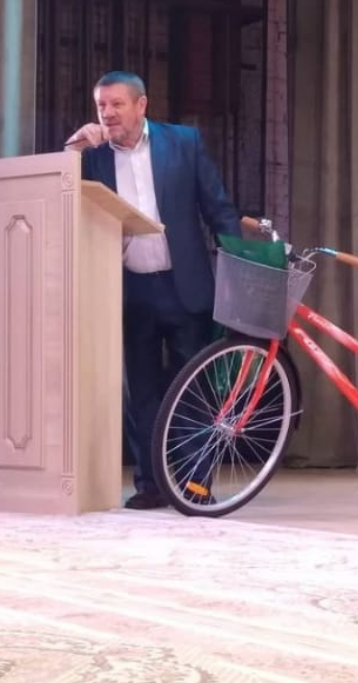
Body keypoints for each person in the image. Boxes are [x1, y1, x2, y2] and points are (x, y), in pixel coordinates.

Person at [66, 71, 241, 509]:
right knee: (141, 394)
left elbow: (217, 207)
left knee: (194, 390)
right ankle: (151, 484)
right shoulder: (93, 155)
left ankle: (195, 483)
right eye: (101, 106)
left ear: (141, 105)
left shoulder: (183, 142)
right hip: (130, 290)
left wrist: (237, 266)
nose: (107, 114)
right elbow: (59, 196)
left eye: (117, 104)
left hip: (184, 286)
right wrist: (73, 151)